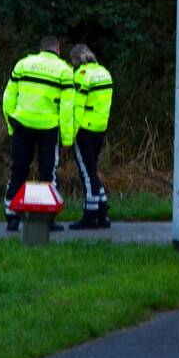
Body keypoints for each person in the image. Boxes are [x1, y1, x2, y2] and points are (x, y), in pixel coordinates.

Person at [1, 36, 75, 232]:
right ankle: (46, 220)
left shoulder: (23, 64)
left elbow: (8, 96)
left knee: (18, 170)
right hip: (48, 128)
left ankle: (11, 216)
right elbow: (67, 109)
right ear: (57, 50)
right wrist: (67, 138)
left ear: (41, 49)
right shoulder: (64, 71)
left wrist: (11, 124)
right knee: (47, 174)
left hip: (22, 125)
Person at [67, 44, 114, 230]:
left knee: (87, 173)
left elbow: (77, 108)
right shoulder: (104, 72)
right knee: (92, 171)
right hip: (100, 127)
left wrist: (69, 135)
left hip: (84, 129)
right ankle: (102, 213)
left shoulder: (82, 75)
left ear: (76, 59)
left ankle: (90, 215)